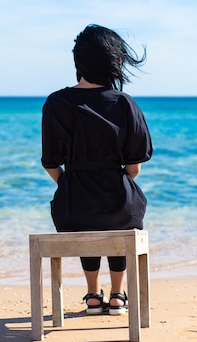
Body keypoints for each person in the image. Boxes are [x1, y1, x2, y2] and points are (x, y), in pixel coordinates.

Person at [41, 24, 153, 315]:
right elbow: (135, 166)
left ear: (78, 61)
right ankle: (117, 295)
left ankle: (92, 295)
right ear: (113, 62)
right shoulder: (125, 104)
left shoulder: (56, 102)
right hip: (118, 200)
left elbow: (50, 162)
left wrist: (69, 182)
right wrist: (113, 180)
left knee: (83, 212)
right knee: (121, 212)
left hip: (73, 203)